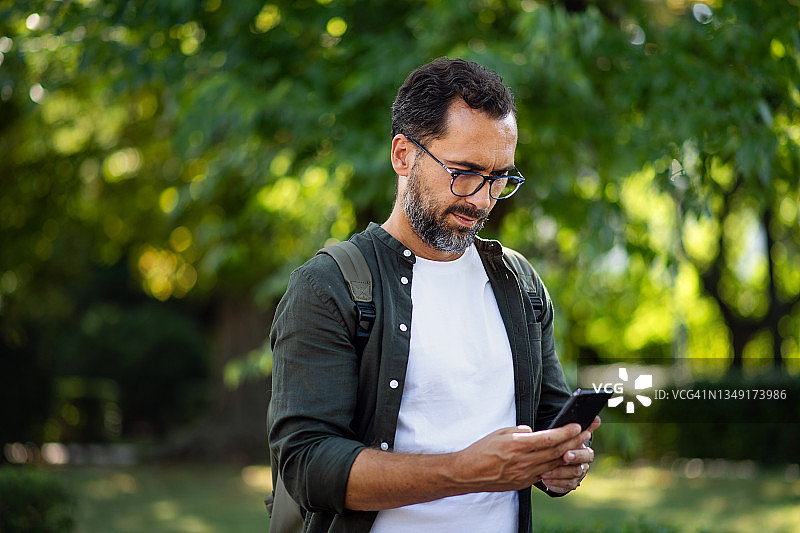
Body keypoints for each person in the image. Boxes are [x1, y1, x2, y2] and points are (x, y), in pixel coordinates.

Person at [268, 57, 600, 533]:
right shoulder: (330, 286)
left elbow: (547, 418)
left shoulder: (518, 283)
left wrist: (562, 461)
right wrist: (467, 471)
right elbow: (306, 465)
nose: (483, 198)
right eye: (464, 171)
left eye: (500, 176)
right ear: (403, 155)